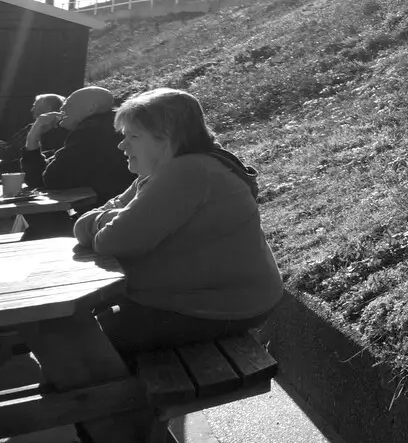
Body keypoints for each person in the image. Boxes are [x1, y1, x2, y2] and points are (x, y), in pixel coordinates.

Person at [71, 88, 282, 357]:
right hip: (201, 296)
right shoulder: (161, 173)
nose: (122, 146)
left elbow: (114, 241)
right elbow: (90, 225)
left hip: (225, 305)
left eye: (133, 136)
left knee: (85, 346)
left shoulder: (188, 172)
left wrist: (107, 220)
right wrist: (110, 219)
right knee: (88, 327)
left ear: (167, 138)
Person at [20, 86, 134, 207]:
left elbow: (48, 180)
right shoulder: (113, 126)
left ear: (91, 108)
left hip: (104, 213)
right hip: (119, 205)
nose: (61, 109)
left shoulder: (91, 131)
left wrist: (33, 136)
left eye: (68, 104)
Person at [0, 93, 65, 170]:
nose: (32, 109)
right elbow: (10, 145)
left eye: (35, 106)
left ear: (48, 108)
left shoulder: (58, 132)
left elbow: (13, 153)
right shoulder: (31, 126)